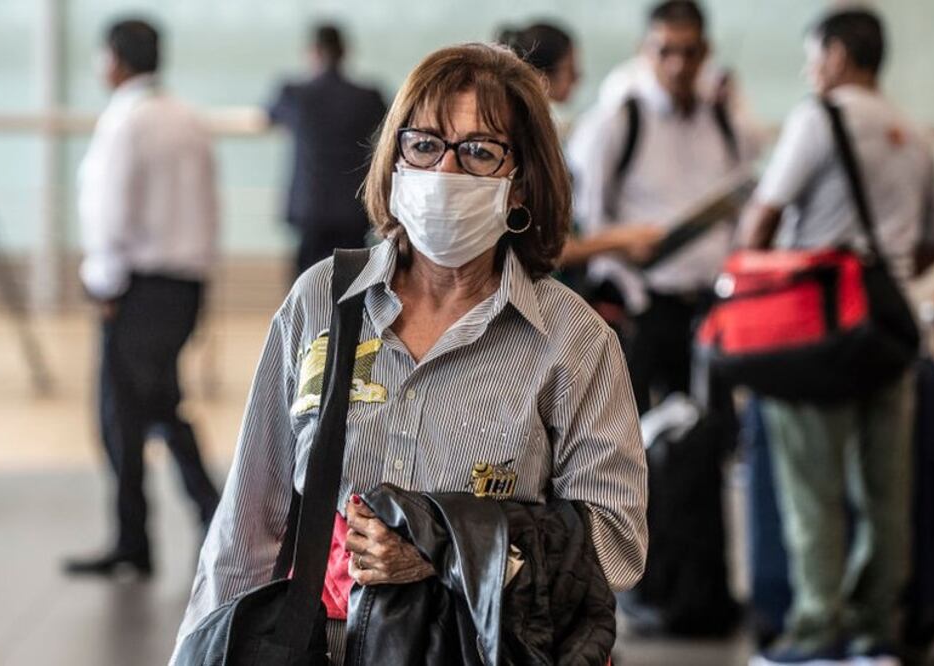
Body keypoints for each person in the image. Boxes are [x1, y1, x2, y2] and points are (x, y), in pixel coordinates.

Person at [172, 43, 647, 664]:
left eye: (479, 152)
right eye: (423, 144)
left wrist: (447, 546)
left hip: (483, 647)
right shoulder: (325, 301)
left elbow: (617, 541)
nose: (445, 171)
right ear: (394, 160)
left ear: (522, 181)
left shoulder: (573, 341)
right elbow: (246, 530)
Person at [738, 8, 934, 664]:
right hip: (890, 327)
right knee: (885, 486)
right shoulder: (912, 133)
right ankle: (874, 630)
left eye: (813, 55)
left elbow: (761, 223)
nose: (810, 69)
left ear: (836, 54)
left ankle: (815, 630)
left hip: (818, 328)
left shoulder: (817, 117)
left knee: (811, 484)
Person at [64, 18, 222, 578]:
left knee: (128, 417)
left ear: (114, 58)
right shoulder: (187, 118)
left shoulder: (126, 122)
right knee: (150, 409)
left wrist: (103, 283)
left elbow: (110, 210)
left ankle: (207, 518)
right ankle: (152, 535)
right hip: (183, 285)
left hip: (137, 289)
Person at [568, 0, 760, 414]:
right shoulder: (618, 121)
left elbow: (744, 207)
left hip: (711, 306)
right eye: (665, 51)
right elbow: (591, 218)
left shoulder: (725, 120)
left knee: (709, 438)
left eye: (689, 52)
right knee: (634, 439)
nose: (678, 64)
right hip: (642, 306)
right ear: (645, 49)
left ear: (705, 51)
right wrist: (624, 253)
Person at [496, 21, 663, 273]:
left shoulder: (547, 135)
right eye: (571, 69)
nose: (578, 77)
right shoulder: (524, 145)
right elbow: (544, 249)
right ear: (542, 76)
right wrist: (620, 240)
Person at [267, 24, 388, 279]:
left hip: (310, 207)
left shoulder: (294, 94)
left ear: (313, 52)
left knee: (306, 286)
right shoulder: (368, 97)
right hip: (354, 209)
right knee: (351, 288)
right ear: (345, 52)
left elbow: (270, 114)